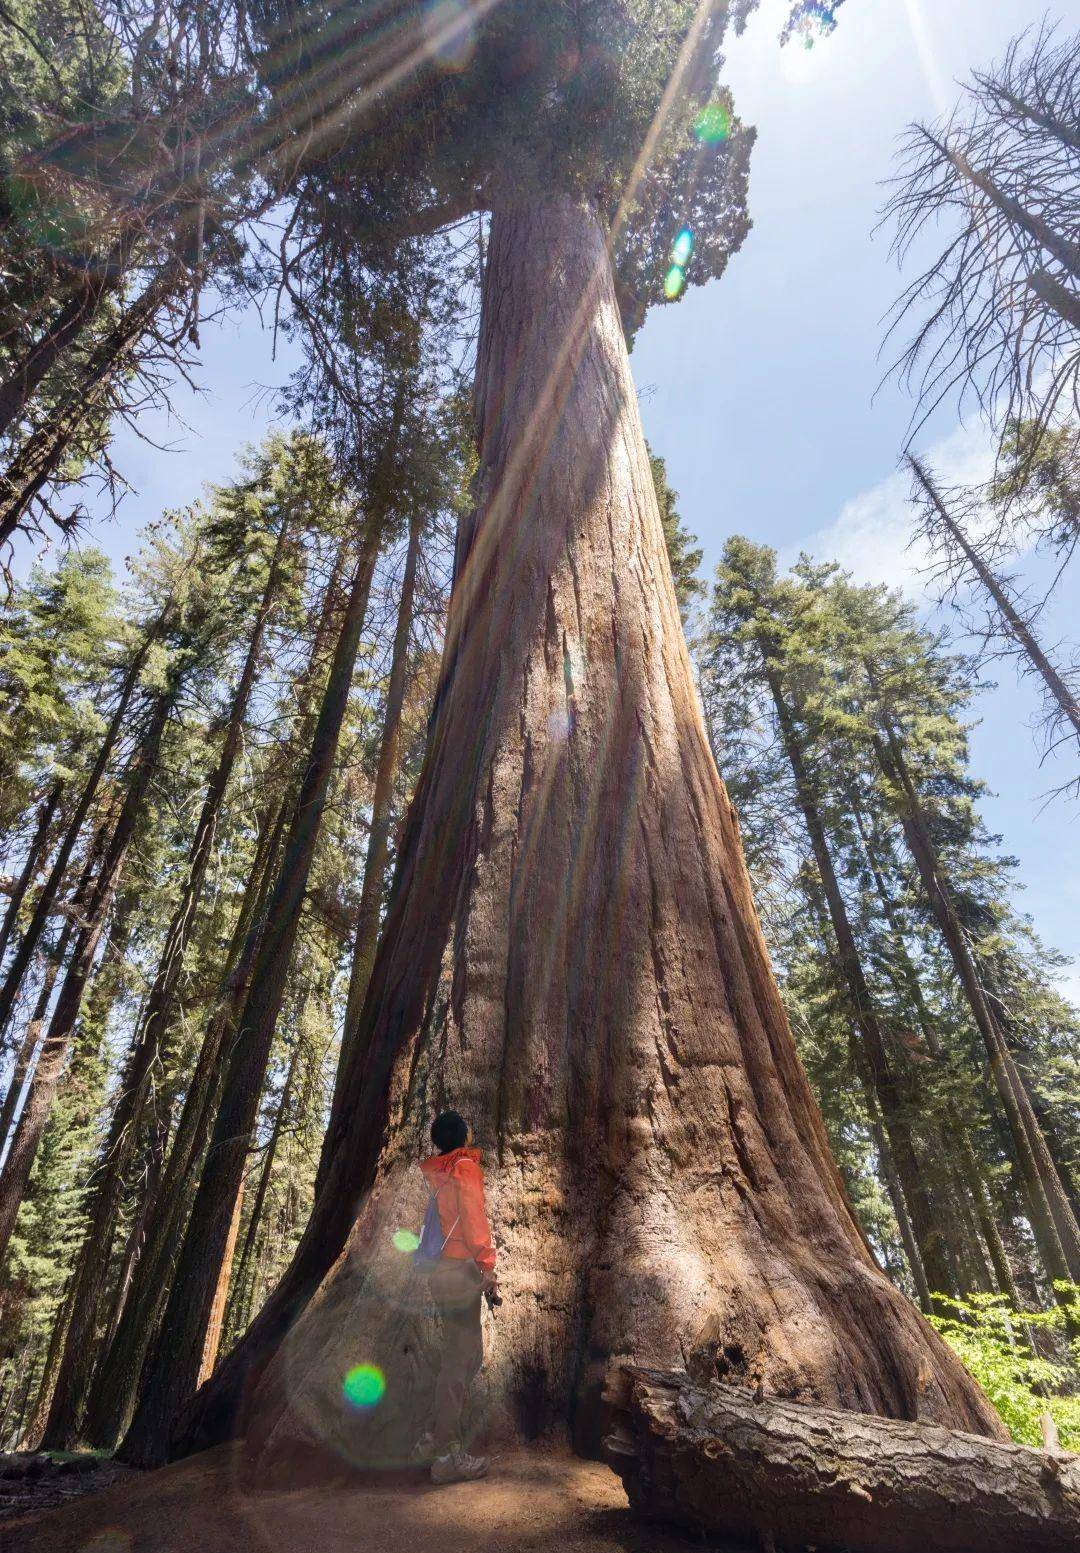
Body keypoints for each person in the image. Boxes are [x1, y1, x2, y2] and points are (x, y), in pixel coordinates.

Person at [417, 1109, 498, 1485]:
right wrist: (487, 1265)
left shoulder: (441, 1172)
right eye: (468, 1126)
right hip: (460, 1269)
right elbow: (473, 1219)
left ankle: (435, 1434)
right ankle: (445, 1453)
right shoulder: (464, 1168)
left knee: (465, 1355)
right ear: (462, 1135)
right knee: (459, 1359)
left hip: (441, 1273)